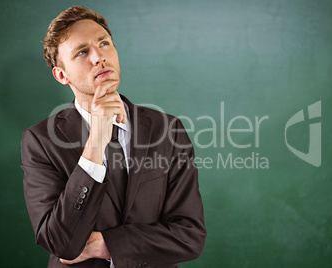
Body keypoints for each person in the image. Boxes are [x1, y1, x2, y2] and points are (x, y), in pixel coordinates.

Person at [21, 6, 206, 268]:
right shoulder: (40, 141)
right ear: (61, 75)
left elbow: (190, 236)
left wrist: (107, 245)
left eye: (104, 43)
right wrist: (96, 142)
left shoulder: (168, 129)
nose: (98, 57)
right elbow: (60, 242)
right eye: (82, 52)